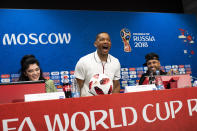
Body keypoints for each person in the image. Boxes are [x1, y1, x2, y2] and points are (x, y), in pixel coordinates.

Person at [74, 32, 121, 97]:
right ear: (95, 44)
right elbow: (78, 87)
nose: (106, 42)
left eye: (108, 40)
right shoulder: (83, 61)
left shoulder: (115, 62)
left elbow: (116, 85)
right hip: (88, 103)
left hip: (108, 104)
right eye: (102, 40)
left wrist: (114, 101)